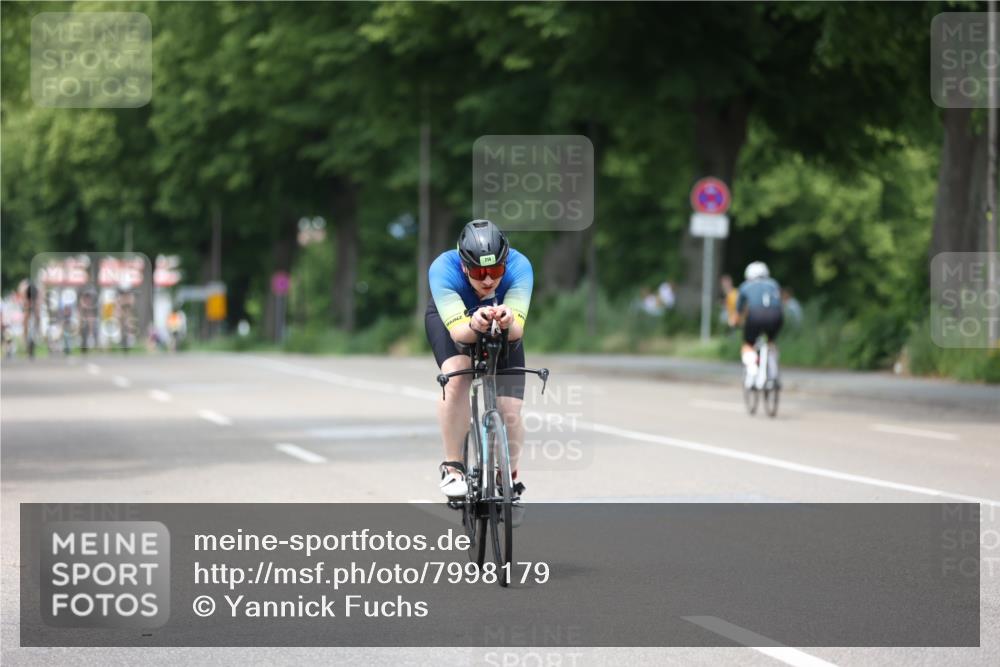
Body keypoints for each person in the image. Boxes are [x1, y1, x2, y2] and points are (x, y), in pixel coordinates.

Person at [425, 219, 533, 501]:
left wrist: (509, 320)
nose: (488, 280)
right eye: (478, 272)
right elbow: (460, 333)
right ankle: (453, 468)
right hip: (455, 320)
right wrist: (474, 324)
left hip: (501, 323)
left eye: (496, 270)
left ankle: (507, 477)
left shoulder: (520, 266)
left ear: (505, 261)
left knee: (509, 409)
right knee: (458, 373)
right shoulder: (443, 269)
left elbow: (518, 329)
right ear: (463, 266)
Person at [732, 261, 783, 386]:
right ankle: (773, 372)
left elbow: (738, 311)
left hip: (756, 315)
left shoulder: (745, 286)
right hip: (776, 315)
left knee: (748, 344)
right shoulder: (774, 284)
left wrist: (734, 323)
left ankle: (752, 370)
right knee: (771, 341)